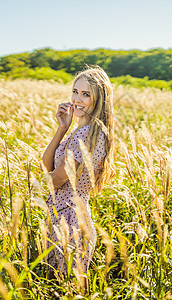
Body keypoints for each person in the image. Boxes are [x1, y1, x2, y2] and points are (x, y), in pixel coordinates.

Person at [41, 66, 115, 282]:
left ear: (99, 99)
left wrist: (37, 187)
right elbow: (47, 167)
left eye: (86, 94)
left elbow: (55, 179)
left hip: (71, 220)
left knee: (63, 289)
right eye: (75, 91)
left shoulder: (88, 134)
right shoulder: (81, 130)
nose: (77, 99)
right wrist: (62, 128)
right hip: (62, 216)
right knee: (56, 287)